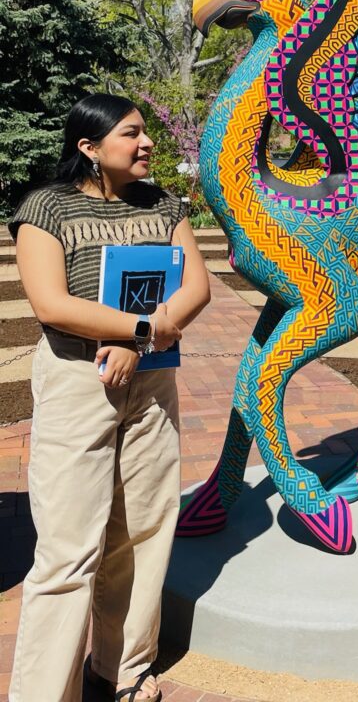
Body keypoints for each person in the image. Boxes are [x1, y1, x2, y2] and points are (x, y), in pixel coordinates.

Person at [9, 94, 211, 702]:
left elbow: (196, 285)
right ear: (90, 149)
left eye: (147, 132)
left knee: (142, 531)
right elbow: (50, 304)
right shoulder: (46, 208)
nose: (147, 143)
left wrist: (140, 346)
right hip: (78, 384)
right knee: (69, 547)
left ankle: (119, 669)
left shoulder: (164, 205)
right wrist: (140, 330)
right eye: (132, 134)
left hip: (152, 384)